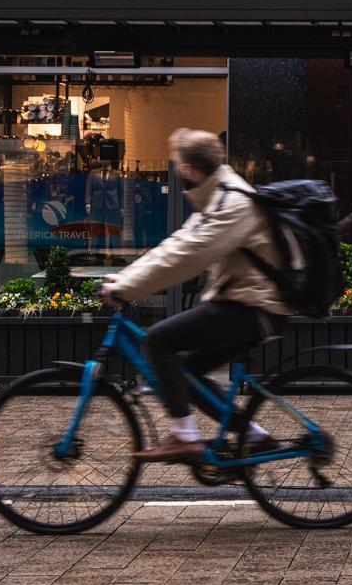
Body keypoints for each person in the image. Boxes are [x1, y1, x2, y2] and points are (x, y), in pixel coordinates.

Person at [99, 128, 287, 462]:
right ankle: (254, 435)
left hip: (255, 306)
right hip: (245, 301)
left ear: (188, 168)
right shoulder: (218, 196)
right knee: (186, 372)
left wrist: (127, 288)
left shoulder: (232, 203)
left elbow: (188, 255)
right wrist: (125, 278)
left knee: (158, 340)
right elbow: (176, 244)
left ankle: (185, 435)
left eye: (177, 165)